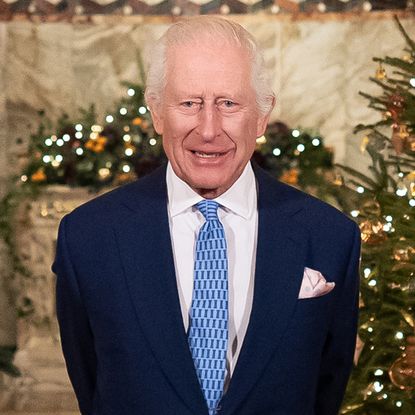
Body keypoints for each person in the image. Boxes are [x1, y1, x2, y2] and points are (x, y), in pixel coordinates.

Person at [53, 16, 361, 415]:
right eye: (189, 103)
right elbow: (91, 381)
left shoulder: (330, 237)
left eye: (229, 104)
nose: (209, 129)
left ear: (263, 115)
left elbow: (327, 386)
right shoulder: (88, 237)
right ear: (157, 113)